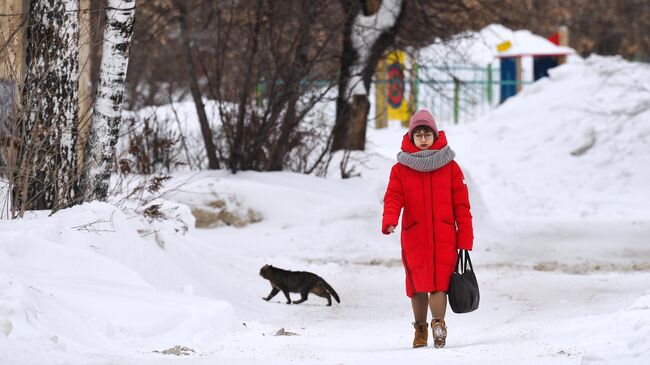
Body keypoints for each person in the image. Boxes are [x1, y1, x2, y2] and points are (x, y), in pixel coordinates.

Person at [381, 109, 474, 349]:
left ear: (435, 135)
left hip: (445, 236)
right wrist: (390, 219)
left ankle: (438, 325)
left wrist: (464, 238)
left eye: (427, 134)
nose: (423, 139)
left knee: (440, 283)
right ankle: (420, 329)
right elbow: (393, 198)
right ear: (412, 138)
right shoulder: (400, 169)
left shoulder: (451, 167)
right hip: (415, 236)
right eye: (418, 135)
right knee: (417, 285)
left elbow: (462, 206)